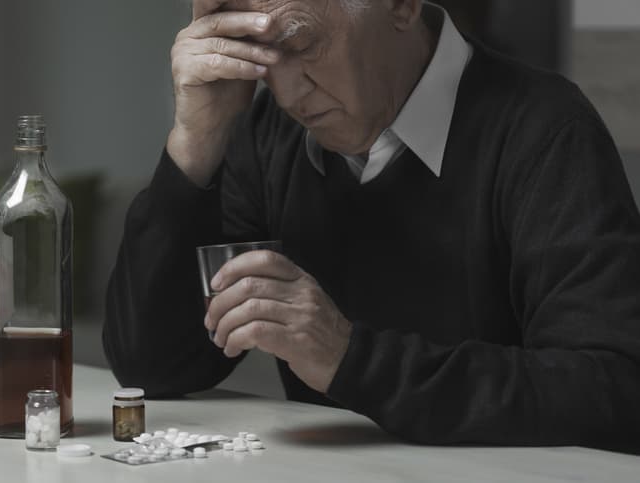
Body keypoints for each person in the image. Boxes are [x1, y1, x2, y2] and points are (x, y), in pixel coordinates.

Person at [103, 0, 640, 450]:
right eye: (260, 55)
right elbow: (156, 367)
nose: (287, 94)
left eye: (301, 44)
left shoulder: (545, 128)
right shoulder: (268, 131)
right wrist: (196, 141)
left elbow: (611, 391)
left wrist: (350, 357)